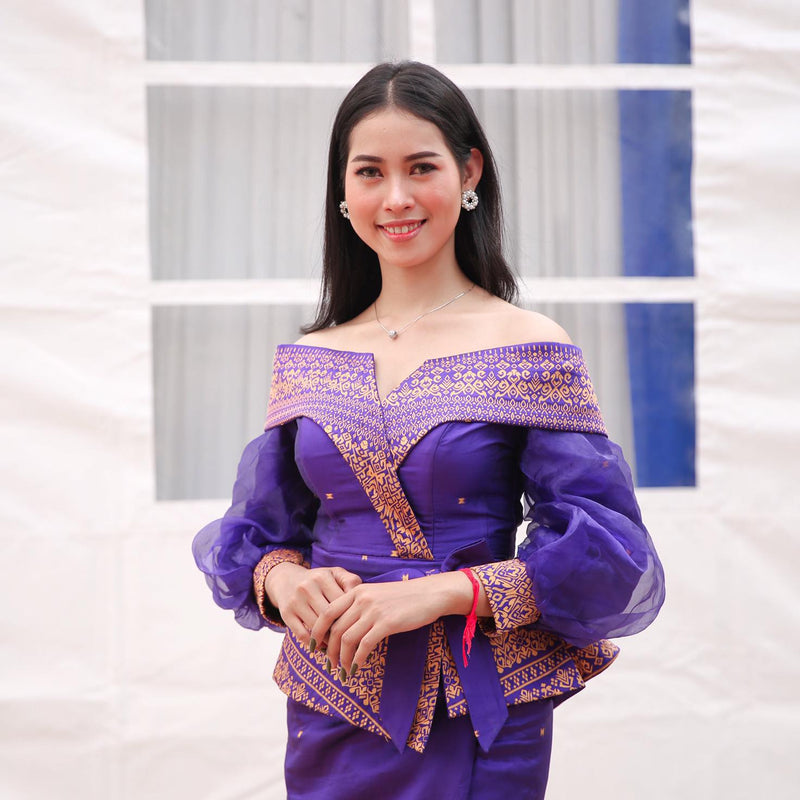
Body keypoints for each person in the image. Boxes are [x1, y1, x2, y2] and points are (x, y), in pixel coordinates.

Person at [192, 61, 665, 799]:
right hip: (330, 701)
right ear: (343, 193)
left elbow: (608, 549)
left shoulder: (527, 343)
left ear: (469, 169)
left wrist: (440, 593)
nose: (397, 197)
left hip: (477, 709)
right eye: (370, 173)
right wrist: (284, 579)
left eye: (421, 167)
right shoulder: (311, 358)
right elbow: (255, 533)